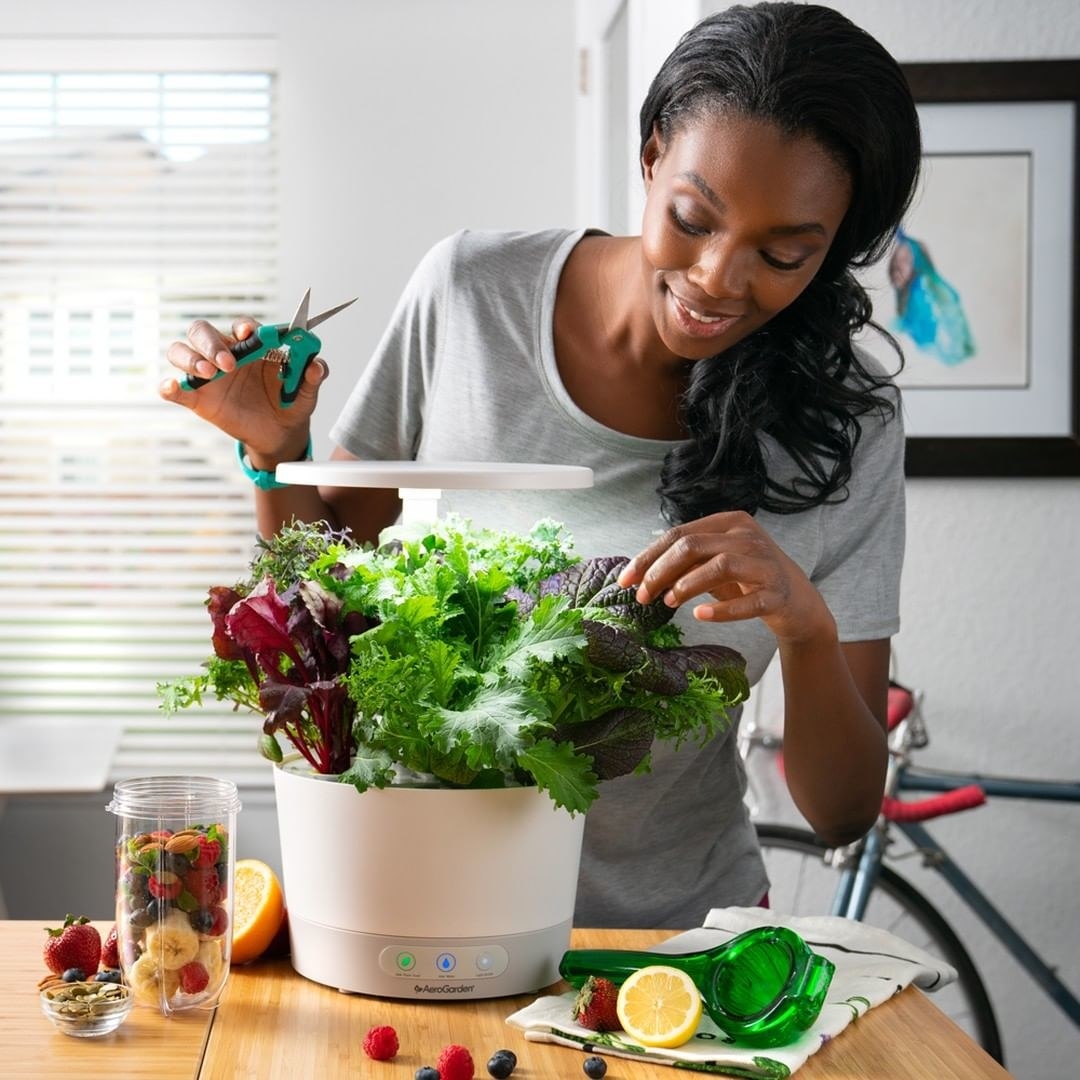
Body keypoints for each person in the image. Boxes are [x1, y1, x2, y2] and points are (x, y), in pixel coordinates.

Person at [161, 2, 921, 930]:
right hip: (425, 906)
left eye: (784, 253)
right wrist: (275, 452)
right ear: (649, 160)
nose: (721, 276)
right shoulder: (472, 292)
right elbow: (322, 601)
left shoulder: (851, 429)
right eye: (692, 218)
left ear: (833, 248)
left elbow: (841, 812)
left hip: (674, 938)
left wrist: (804, 628)